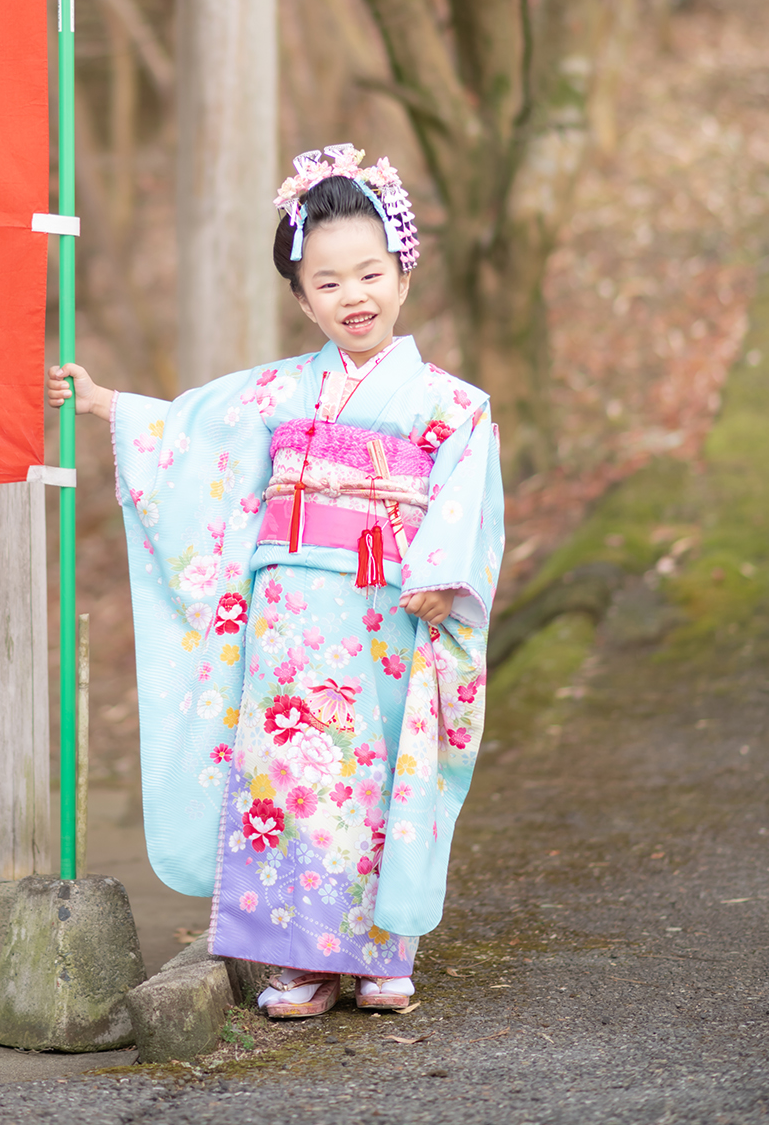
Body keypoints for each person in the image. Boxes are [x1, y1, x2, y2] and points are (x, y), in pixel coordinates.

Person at [48, 143, 504, 1018]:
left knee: (379, 778)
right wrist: (112, 405)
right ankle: (299, 958)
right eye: (326, 283)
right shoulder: (280, 394)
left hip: (389, 610)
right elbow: (195, 440)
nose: (352, 297)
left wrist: (441, 577)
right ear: (300, 298)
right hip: (290, 615)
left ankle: (379, 953)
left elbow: (466, 500)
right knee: (289, 779)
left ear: (402, 273)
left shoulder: (452, 404)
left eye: (367, 274)